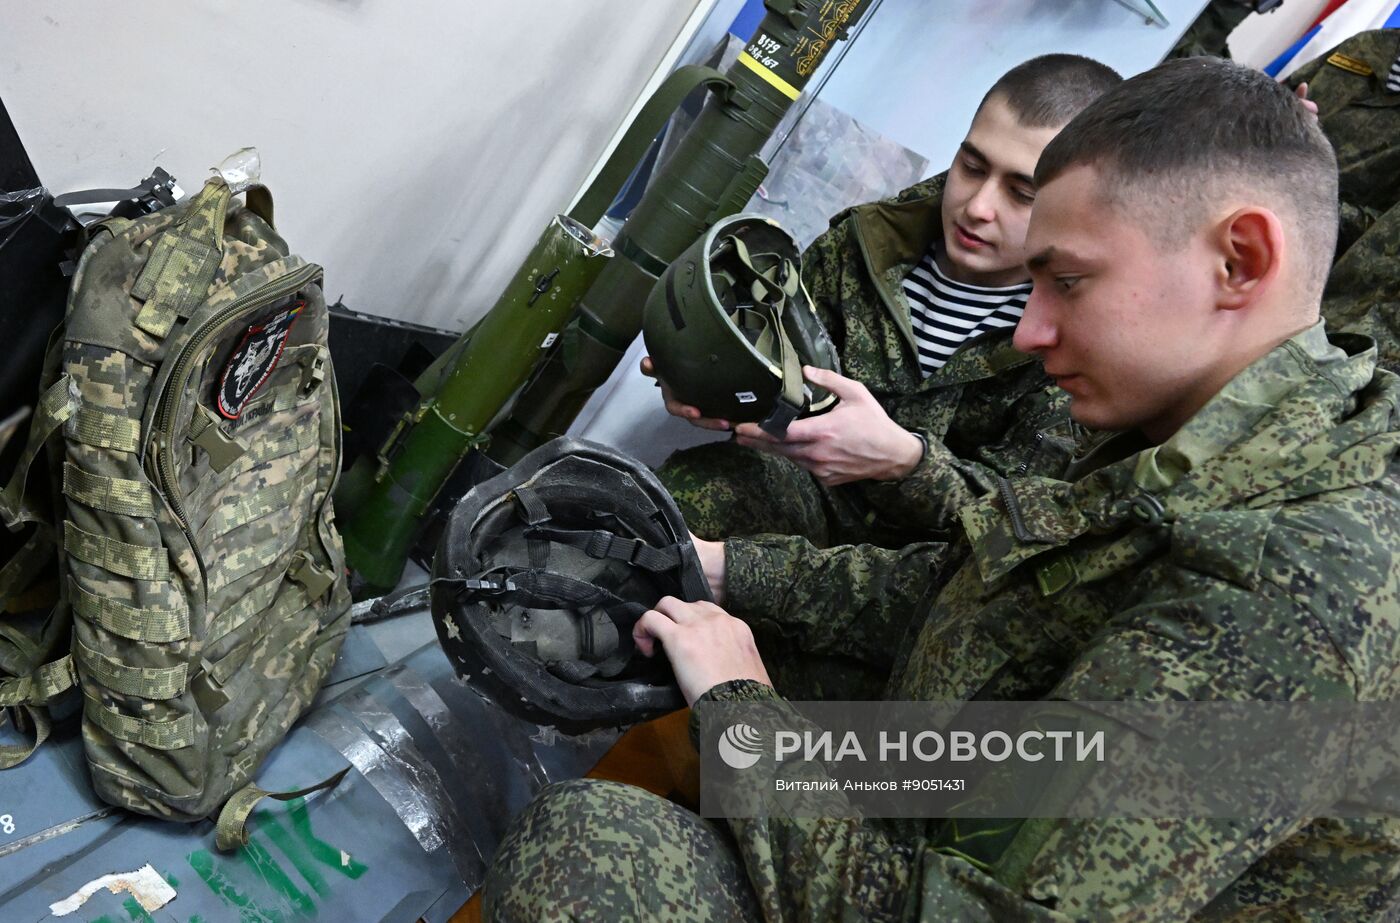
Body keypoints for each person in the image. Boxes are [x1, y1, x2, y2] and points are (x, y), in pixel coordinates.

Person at [484, 58, 1400, 920]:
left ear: (1239, 260)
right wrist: (723, 577)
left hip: (952, 839)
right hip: (962, 772)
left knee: (581, 852)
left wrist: (744, 716)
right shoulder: (1187, 436)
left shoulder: (1292, 594)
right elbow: (975, 595)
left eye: (1070, 281)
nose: (1034, 330)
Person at [648, 55, 1121, 550]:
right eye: (972, 166)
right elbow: (780, 379)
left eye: (1022, 193)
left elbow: (1021, 530)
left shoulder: (1078, 343)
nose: (978, 207)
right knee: (655, 510)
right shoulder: (863, 244)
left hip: (922, 575)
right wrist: (713, 382)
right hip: (792, 499)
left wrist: (907, 465)